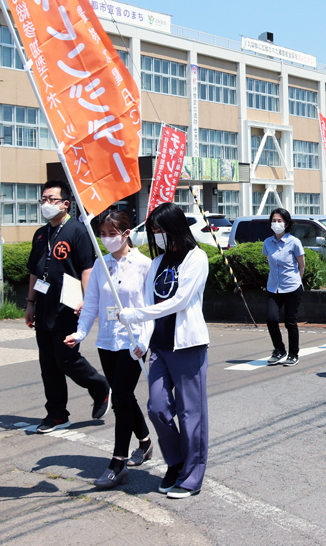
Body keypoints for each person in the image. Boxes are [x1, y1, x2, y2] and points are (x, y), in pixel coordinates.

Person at [118, 202, 210, 499]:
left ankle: (193, 475)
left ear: (175, 228)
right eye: (153, 231)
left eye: (160, 230)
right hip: (159, 346)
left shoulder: (197, 259)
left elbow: (180, 301)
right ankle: (176, 462)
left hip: (188, 346)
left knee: (190, 414)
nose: (156, 236)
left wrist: (138, 314)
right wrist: (142, 341)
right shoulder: (158, 264)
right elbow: (151, 308)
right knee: (157, 407)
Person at [66, 209, 154, 489]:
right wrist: (80, 333)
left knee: (120, 399)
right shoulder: (100, 265)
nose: (106, 239)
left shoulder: (144, 265)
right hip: (107, 341)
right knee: (123, 395)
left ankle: (118, 462)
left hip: (134, 342)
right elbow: (91, 302)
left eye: (112, 234)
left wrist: (143, 342)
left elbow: (151, 309)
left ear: (127, 234)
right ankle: (145, 441)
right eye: (102, 234)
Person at [26, 180, 110, 434]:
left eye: (52, 199)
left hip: (68, 307)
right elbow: (34, 272)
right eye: (43, 200)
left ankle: (99, 386)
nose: (46, 204)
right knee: (48, 364)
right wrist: (30, 303)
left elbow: (87, 268)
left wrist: (87, 301)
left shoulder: (78, 230)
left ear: (66, 204)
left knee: (66, 359)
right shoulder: (41, 234)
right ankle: (57, 414)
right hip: (44, 307)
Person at [263, 207, 305, 366]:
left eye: (279, 221)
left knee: (290, 322)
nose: (276, 223)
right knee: (271, 319)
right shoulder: (267, 243)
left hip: (292, 287)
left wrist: (297, 282)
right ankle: (279, 349)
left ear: (286, 224)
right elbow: (270, 262)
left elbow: (302, 265)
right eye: (273, 221)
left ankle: (293, 354)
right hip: (274, 287)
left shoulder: (294, 242)